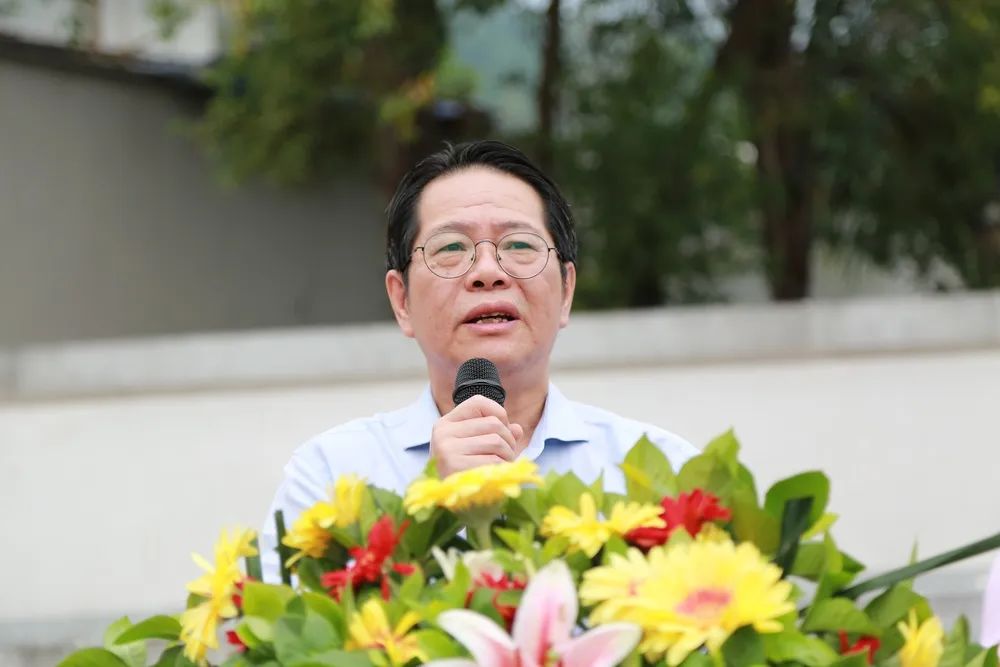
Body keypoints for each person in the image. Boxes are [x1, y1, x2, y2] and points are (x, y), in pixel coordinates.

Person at [258, 140, 698, 581]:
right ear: (401, 300)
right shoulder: (329, 478)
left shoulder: (663, 475)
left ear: (566, 291)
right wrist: (435, 505)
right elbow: (282, 621)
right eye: (451, 248)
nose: (488, 271)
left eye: (519, 244)